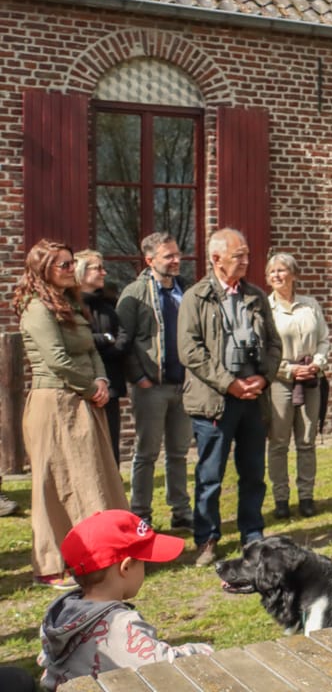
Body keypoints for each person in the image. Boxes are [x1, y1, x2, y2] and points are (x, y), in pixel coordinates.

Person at [14, 239, 129, 590]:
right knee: (55, 484)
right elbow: (56, 360)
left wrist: (101, 380)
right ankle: (51, 565)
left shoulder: (70, 303)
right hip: (54, 403)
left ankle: (96, 555)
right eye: (63, 264)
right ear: (43, 269)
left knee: (91, 478)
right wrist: (91, 386)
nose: (70, 269)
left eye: (70, 263)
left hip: (82, 401)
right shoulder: (37, 308)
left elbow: (91, 350)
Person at [178, 228, 281, 567]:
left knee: (253, 471)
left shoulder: (256, 296)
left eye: (247, 254)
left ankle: (253, 534)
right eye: (239, 256)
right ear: (216, 259)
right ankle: (207, 539)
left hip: (253, 397)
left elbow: (274, 344)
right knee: (210, 475)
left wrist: (264, 377)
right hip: (215, 399)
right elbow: (189, 350)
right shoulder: (196, 297)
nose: (247, 261)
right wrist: (229, 383)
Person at [38, 509, 213, 689]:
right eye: (143, 562)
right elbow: (164, 667)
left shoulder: (60, 614)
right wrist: (201, 650)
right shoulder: (122, 625)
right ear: (126, 567)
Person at [117, 233, 193, 532]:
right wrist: (138, 377)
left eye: (177, 254)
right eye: (168, 256)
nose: (176, 260)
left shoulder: (186, 289)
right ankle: (140, 514)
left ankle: (181, 512)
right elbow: (124, 340)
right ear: (150, 260)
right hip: (151, 388)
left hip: (183, 385)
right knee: (146, 454)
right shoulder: (135, 293)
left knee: (179, 453)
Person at [266, 253, 332, 519]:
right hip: (280, 382)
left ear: (293, 274)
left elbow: (324, 339)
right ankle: (281, 498)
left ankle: (306, 496)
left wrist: (317, 363)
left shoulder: (310, 305)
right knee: (279, 443)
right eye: (272, 272)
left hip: (311, 381)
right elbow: (264, 349)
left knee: (306, 441)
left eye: (282, 270)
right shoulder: (266, 308)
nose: (277, 275)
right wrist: (289, 369)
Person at [76, 250, 129, 466]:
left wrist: (103, 346)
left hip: (111, 385)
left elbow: (123, 339)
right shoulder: (70, 307)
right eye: (98, 268)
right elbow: (79, 342)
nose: (104, 272)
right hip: (84, 386)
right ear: (81, 272)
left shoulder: (108, 306)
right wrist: (106, 338)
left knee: (110, 448)